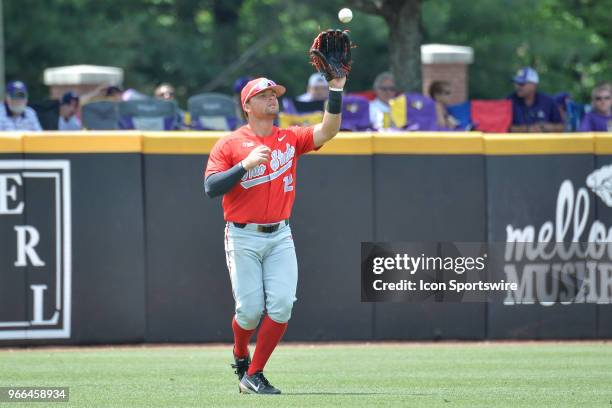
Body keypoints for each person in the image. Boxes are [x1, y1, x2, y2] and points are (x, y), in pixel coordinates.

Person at [203, 73, 347, 394]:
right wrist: (243, 166)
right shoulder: (230, 143)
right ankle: (240, 352)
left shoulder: (290, 138)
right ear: (248, 105)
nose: (273, 99)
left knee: (282, 305)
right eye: (264, 95)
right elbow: (211, 187)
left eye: (274, 94)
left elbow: (329, 130)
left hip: (280, 235)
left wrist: (335, 89)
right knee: (249, 310)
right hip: (242, 236)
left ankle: (254, 374)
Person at [508, 67, 564, 133]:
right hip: (517, 143)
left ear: (534, 85)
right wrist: (528, 129)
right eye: (516, 83)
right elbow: (503, 128)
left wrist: (545, 127)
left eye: (521, 84)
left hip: (544, 142)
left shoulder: (548, 102)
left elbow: (561, 127)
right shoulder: (509, 102)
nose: (517, 86)